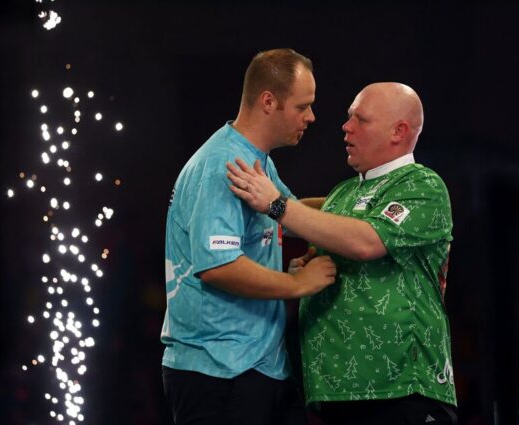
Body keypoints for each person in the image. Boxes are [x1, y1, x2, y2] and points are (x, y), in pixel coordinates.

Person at [226, 82, 457, 424]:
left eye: (361, 120)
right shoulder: (344, 193)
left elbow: (366, 241)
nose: (346, 127)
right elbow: (316, 226)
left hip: (402, 390)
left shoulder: (422, 186)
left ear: (398, 131)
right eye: (349, 117)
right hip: (335, 393)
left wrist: (276, 204)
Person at [161, 48, 336, 425]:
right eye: (303, 106)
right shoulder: (223, 165)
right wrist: (297, 284)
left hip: (257, 365)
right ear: (268, 101)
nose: (311, 116)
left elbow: (287, 212)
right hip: (218, 371)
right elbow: (219, 267)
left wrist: (356, 202)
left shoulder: (255, 159)